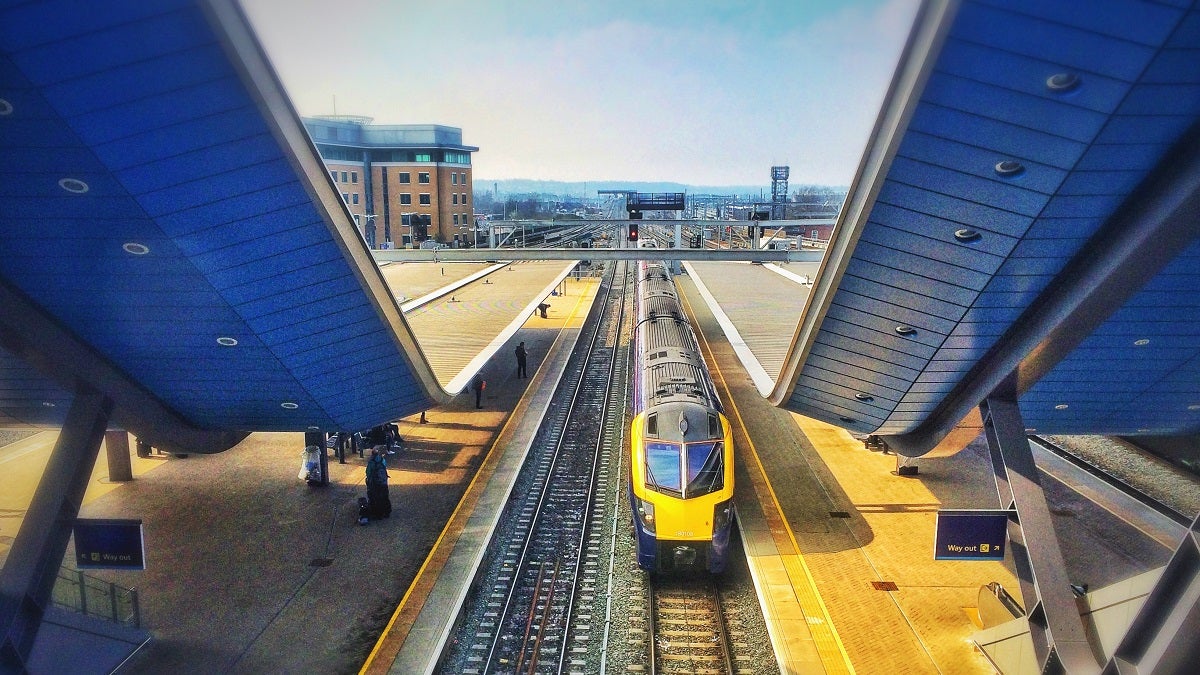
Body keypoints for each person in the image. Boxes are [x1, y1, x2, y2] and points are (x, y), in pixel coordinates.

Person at [365, 447, 391, 519]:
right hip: (383, 481)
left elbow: (368, 472)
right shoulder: (382, 460)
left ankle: (377, 513)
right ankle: (386, 512)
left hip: (375, 483)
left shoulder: (371, 462)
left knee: (375, 497)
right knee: (385, 496)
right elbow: (384, 467)